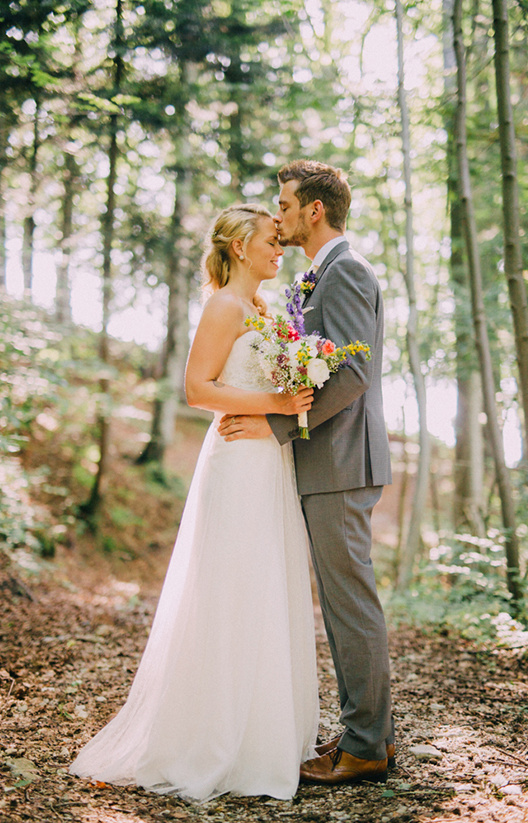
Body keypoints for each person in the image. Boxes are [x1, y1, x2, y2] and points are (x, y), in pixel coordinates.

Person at [70, 204, 320, 802]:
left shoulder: (266, 309)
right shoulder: (224, 306)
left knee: (266, 585)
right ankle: (211, 737)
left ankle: (263, 734)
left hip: (270, 460)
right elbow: (197, 389)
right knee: (230, 585)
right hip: (235, 463)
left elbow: (269, 386)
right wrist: (281, 407)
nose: (278, 249)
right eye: (269, 241)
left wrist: (293, 395)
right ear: (239, 247)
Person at [219, 160, 394, 785]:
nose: (280, 214)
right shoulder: (319, 275)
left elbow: (350, 374)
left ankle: (368, 745)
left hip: (341, 460)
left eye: (286, 204)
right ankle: (362, 736)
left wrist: (277, 426)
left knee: (351, 605)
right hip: (328, 460)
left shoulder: (345, 271)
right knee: (343, 602)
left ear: (313, 210)